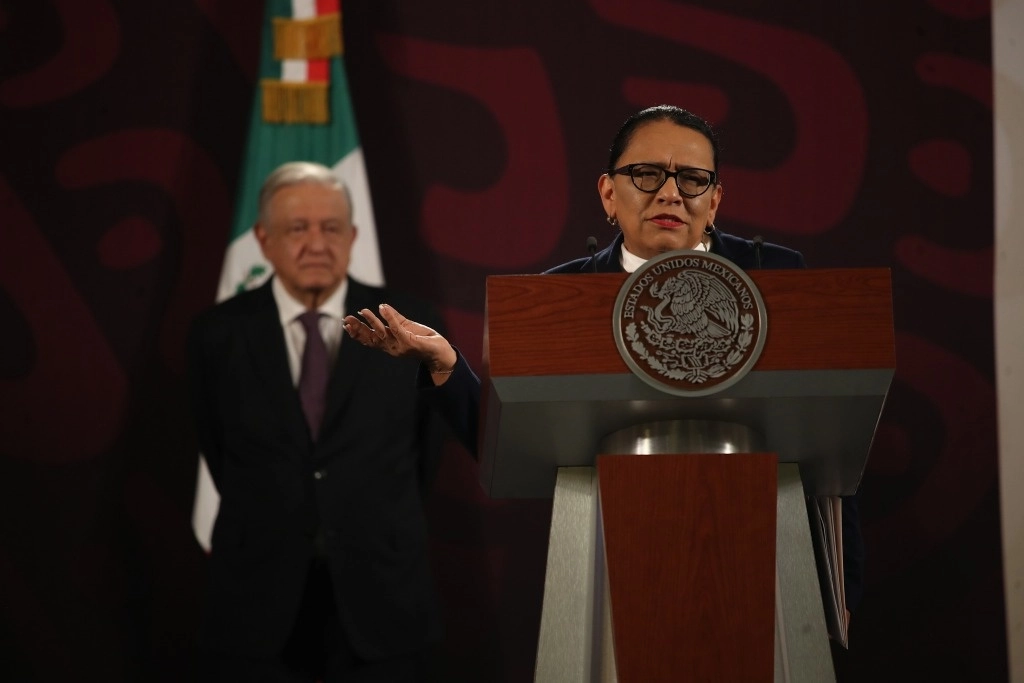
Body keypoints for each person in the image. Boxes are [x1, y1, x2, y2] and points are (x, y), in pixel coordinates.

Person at [345, 105, 864, 616]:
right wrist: (447, 364)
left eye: (692, 180)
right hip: (615, 555)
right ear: (609, 194)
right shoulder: (562, 297)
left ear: (715, 200)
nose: (670, 194)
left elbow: (822, 425)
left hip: (763, 548)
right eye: (647, 174)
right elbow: (509, 441)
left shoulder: (776, 276)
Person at [186, 161, 478, 682]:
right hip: (256, 605)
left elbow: (425, 451)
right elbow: (216, 448)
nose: (316, 243)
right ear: (263, 239)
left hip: (382, 600)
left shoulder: (405, 325)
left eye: (331, 228)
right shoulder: (216, 334)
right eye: (298, 228)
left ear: (354, 236)